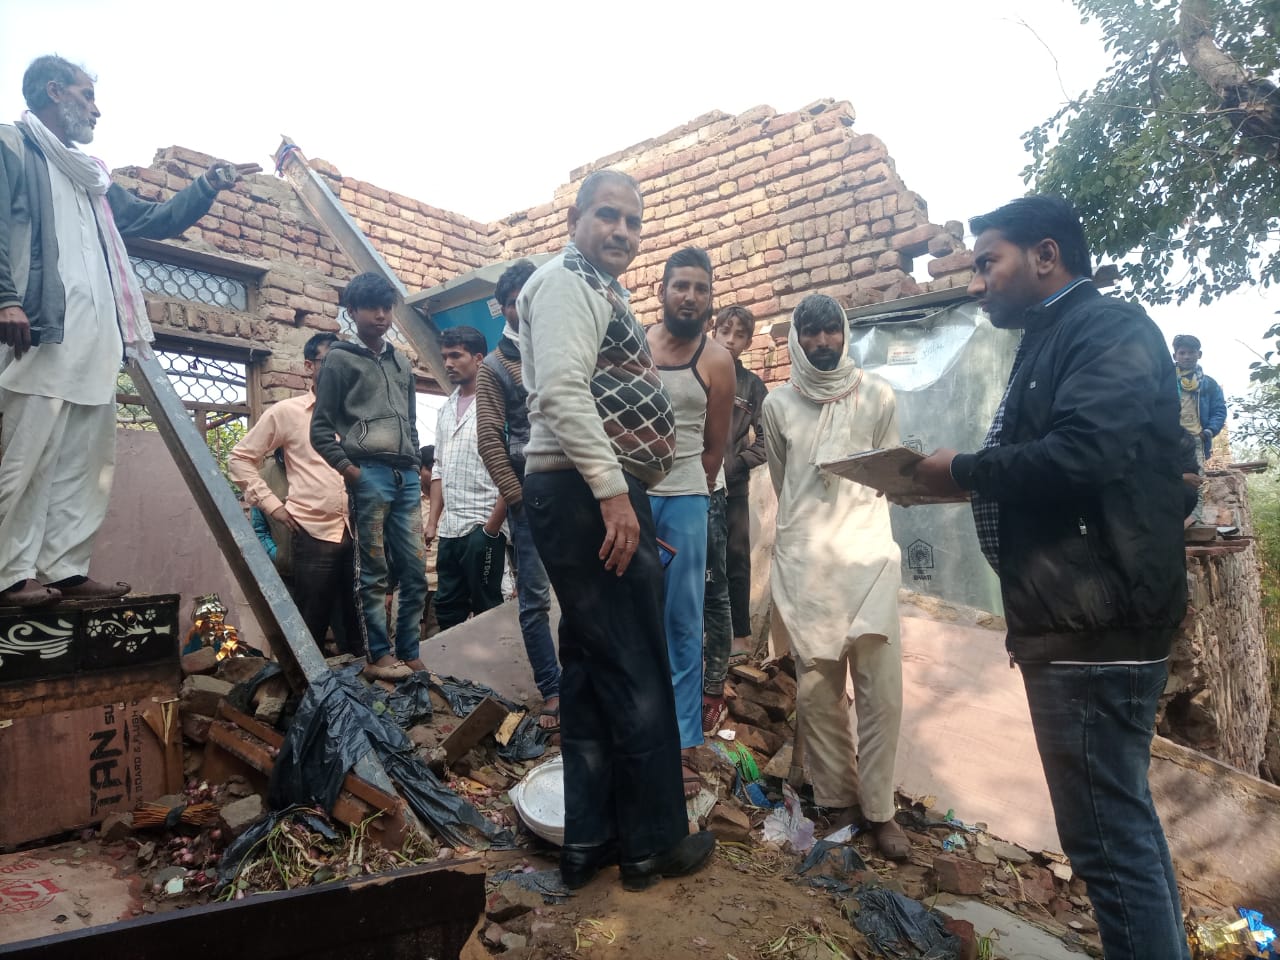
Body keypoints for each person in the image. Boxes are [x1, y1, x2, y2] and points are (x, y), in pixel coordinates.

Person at [912, 196, 1190, 960]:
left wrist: (961, 471)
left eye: (987, 262)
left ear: (1045, 255)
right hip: (1075, 619)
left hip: (1092, 625)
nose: (976, 284)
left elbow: (1082, 455)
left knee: (1105, 842)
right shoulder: (1056, 336)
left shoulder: (1104, 328)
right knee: (1120, 831)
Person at [518, 169, 715, 891]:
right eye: (609, 216)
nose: (623, 233)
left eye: (634, 222)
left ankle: (590, 841)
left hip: (576, 490)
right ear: (576, 218)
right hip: (582, 488)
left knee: (593, 669)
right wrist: (613, 494)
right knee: (637, 668)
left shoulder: (597, 289)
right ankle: (653, 846)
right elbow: (563, 392)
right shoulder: (567, 284)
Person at [0, 55, 254, 607]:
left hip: (96, 340)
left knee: (85, 460)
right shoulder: (13, 145)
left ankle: (66, 568)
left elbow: (151, 221)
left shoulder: (91, 175)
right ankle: (6, 576)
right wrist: (5, 299)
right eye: (86, 94)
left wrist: (209, 183)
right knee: (24, 457)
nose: (96, 107)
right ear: (53, 91)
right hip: (39, 330)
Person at [762, 293, 909, 861]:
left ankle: (881, 812)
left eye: (831, 332)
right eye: (812, 333)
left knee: (883, 693)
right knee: (819, 693)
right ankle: (841, 802)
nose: (824, 343)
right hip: (807, 562)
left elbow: (890, 469)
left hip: (869, 556)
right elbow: (784, 481)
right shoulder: (777, 405)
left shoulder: (877, 395)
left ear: (844, 333)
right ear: (797, 338)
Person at [644, 246, 734, 790]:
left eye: (701, 288)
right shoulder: (634, 343)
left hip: (684, 500)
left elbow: (713, 448)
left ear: (710, 298)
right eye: (681, 286)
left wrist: (688, 497)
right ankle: (633, 726)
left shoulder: (716, 360)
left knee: (682, 621)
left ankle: (680, 739)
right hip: (626, 497)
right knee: (631, 614)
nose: (691, 296)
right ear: (662, 290)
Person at [310, 273, 427, 681]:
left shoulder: (400, 361)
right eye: (371, 308)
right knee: (373, 570)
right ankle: (378, 655)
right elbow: (321, 430)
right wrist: (352, 472)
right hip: (370, 475)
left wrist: (413, 462)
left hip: (405, 476)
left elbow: (411, 422)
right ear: (352, 311)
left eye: (387, 307)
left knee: (414, 569)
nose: (381, 315)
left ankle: (409, 651)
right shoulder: (340, 360)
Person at [230, 332, 357, 655]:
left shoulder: (358, 416)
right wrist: (273, 506)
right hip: (312, 534)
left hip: (358, 533)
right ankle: (306, 698)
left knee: (358, 631)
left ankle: (359, 700)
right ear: (308, 366)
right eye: (329, 363)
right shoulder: (287, 413)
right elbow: (240, 459)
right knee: (309, 630)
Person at [476, 259, 563, 728]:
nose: (523, 308)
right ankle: (552, 690)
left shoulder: (559, 346)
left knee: (580, 591)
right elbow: (489, 439)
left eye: (529, 297)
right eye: (513, 303)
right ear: (506, 308)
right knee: (534, 597)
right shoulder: (495, 366)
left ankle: (581, 679)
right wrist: (515, 497)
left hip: (575, 489)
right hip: (530, 496)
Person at [704, 305, 768, 729]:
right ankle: (700, 638)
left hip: (734, 487)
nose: (730, 339)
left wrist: (736, 464)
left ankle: (739, 636)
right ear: (714, 331)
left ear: (748, 342)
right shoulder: (697, 367)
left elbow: (766, 440)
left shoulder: (752, 384)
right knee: (700, 563)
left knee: (736, 560)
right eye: (724, 331)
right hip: (693, 483)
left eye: (739, 335)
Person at [425, 325, 507, 630]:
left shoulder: (497, 404)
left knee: (489, 607)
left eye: (455, 355)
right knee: (447, 607)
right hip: (450, 530)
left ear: (478, 358)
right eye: (444, 356)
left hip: (483, 525)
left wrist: (491, 528)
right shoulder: (445, 409)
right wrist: (433, 521)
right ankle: (453, 676)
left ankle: (493, 676)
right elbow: (439, 468)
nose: (447, 363)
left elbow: (511, 468)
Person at [1172, 333, 1227, 523]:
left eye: (1191, 352)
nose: (1187, 356)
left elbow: (1219, 411)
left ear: (1199, 354)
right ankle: (1169, 523)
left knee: (1197, 482)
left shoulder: (1208, 384)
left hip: (1196, 439)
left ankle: (1192, 523)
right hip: (1170, 439)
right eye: (1182, 352)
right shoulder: (1165, 382)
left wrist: (1208, 432)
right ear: (1175, 356)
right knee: (1169, 477)